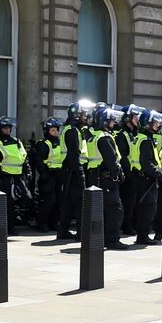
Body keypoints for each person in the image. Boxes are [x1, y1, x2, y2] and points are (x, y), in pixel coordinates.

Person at [88, 106, 127, 249]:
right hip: (106, 179)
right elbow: (111, 160)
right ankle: (112, 240)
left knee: (101, 210)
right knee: (115, 210)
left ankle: (101, 238)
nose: (113, 122)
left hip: (96, 177)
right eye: (111, 120)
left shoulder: (93, 136)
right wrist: (120, 174)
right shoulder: (104, 138)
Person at [56, 101, 92, 239]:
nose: (86, 116)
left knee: (69, 203)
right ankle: (81, 232)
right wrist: (80, 174)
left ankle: (63, 231)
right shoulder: (71, 131)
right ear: (76, 114)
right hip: (73, 170)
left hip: (71, 169)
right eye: (83, 114)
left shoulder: (75, 130)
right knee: (79, 202)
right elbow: (73, 155)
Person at [132, 110, 162, 245]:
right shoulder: (145, 140)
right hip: (146, 179)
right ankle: (143, 237)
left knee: (144, 208)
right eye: (155, 123)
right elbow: (145, 162)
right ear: (147, 124)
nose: (157, 125)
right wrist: (158, 173)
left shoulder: (141, 137)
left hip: (141, 177)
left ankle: (142, 235)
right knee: (148, 208)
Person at [0, 116, 28, 203]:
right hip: (4, 178)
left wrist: (27, 171)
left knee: (25, 201)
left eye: (9, 128)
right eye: (5, 128)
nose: (8, 130)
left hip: (19, 178)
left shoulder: (16, 141)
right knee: (5, 205)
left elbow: (24, 157)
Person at [118, 105, 145, 237]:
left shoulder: (135, 132)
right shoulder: (122, 135)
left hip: (135, 172)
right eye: (135, 116)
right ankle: (126, 226)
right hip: (128, 173)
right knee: (128, 202)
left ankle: (133, 225)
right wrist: (128, 172)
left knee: (135, 201)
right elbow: (123, 156)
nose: (137, 119)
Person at [34, 118, 65, 233]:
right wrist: (44, 174)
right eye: (53, 130)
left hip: (59, 175)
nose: (56, 132)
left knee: (58, 201)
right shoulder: (43, 144)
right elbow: (39, 161)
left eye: (56, 130)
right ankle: (42, 224)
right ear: (47, 131)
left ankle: (53, 223)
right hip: (49, 175)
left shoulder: (61, 143)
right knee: (48, 201)